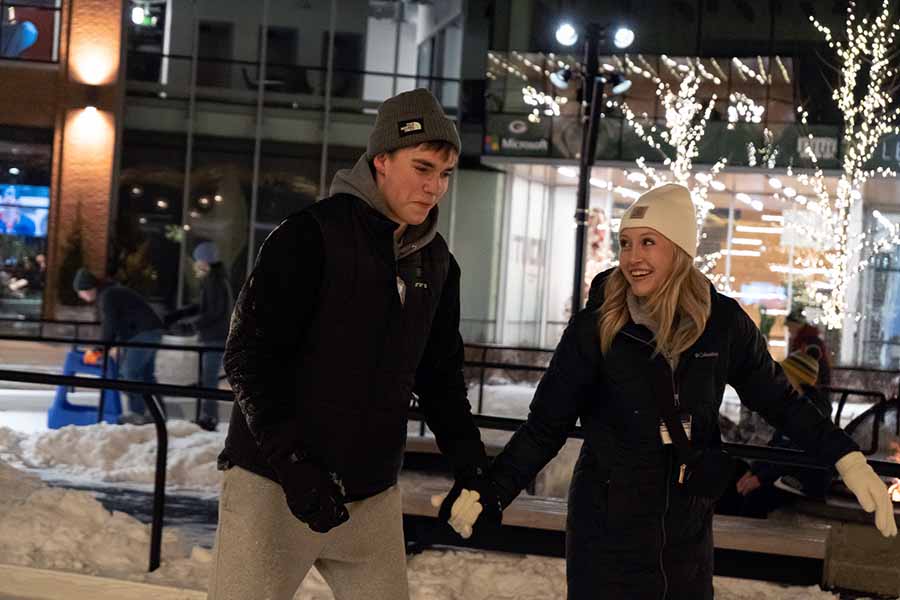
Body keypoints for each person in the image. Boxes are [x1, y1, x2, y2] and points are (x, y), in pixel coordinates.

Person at [440, 183, 897, 599]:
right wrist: (492, 491)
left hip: (686, 533)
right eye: (625, 243)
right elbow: (545, 427)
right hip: (607, 533)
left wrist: (846, 456)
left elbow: (780, 400)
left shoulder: (722, 325)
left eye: (648, 242)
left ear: (680, 249)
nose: (632, 257)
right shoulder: (597, 327)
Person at [208, 88, 493, 600]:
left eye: (445, 175)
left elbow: (439, 374)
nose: (434, 188)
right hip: (275, 485)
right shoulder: (310, 235)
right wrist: (294, 467)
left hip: (370, 493)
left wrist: (469, 462)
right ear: (381, 160)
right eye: (422, 168)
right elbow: (248, 354)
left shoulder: (436, 262)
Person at [73, 267, 165, 425]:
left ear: (86, 290)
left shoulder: (107, 296)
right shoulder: (110, 292)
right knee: (145, 376)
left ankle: (138, 414)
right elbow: (116, 323)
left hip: (142, 334)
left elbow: (110, 325)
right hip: (147, 331)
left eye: (79, 292)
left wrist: (100, 348)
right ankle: (157, 414)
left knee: (129, 373)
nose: (80, 296)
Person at [165, 240, 233, 431]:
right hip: (213, 336)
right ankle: (208, 416)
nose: (195, 264)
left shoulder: (216, 281)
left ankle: (209, 418)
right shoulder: (213, 280)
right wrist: (181, 314)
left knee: (209, 379)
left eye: (197, 260)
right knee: (208, 378)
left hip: (215, 337)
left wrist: (191, 325)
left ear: (205, 261)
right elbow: (204, 307)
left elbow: (214, 312)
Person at [785, 305, 831, 386]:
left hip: (812, 386)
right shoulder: (802, 339)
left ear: (796, 324)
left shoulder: (807, 341)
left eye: (789, 325)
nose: (788, 329)